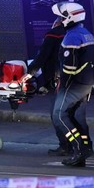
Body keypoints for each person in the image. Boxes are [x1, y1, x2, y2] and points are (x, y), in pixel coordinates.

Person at [51, 1, 94, 167]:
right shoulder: (86, 34)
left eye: (61, 16)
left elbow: (69, 67)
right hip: (86, 84)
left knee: (59, 115)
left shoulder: (72, 36)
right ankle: (86, 145)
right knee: (76, 117)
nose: (59, 19)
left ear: (70, 17)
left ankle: (79, 149)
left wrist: (62, 84)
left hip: (74, 85)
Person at [22, 18, 69, 155]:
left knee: (57, 115)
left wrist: (29, 73)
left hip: (60, 81)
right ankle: (82, 145)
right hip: (75, 81)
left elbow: (43, 57)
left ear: (56, 23)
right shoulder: (73, 35)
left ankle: (65, 146)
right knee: (74, 115)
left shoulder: (52, 34)